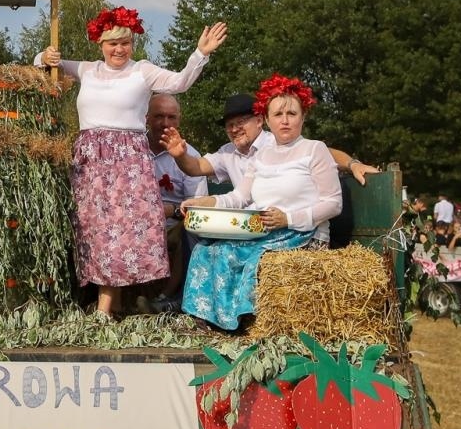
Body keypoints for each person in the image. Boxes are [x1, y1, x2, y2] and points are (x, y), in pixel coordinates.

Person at [37, 7, 227, 319]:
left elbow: (180, 82)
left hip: (126, 162)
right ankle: (115, 306)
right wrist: (45, 58)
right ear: (100, 43)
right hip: (91, 161)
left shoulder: (142, 71)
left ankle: (104, 310)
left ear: (132, 44)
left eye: (125, 42)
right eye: (112, 43)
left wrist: (200, 54)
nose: (119, 49)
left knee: (120, 233)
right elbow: (43, 65)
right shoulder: (87, 69)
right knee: (93, 231)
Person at [175, 75, 343, 331]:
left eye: (292, 113)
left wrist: (288, 218)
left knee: (245, 257)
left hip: (302, 234)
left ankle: (242, 322)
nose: (285, 120)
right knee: (207, 249)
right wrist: (202, 203)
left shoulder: (314, 149)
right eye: (278, 114)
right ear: (267, 119)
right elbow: (239, 198)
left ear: (303, 117)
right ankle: (206, 320)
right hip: (263, 230)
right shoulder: (261, 156)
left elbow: (334, 203)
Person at [171, 92, 380, 188]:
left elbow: (324, 152)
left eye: (241, 122)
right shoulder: (227, 152)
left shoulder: (276, 142)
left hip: (283, 225)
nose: (235, 129)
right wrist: (180, 155)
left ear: (260, 121)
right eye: (229, 125)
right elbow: (196, 167)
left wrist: (353, 164)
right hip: (247, 228)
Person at [145, 92, 206, 309]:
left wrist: (171, 211)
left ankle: (167, 298)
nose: (165, 123)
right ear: (146, 118)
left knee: (191, 230)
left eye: (171, 117)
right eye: (159, 116)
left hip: (173, 226)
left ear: (179, 120)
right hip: (134, 224)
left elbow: (199, 206)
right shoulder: (133, 150)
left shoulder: (190, 156)